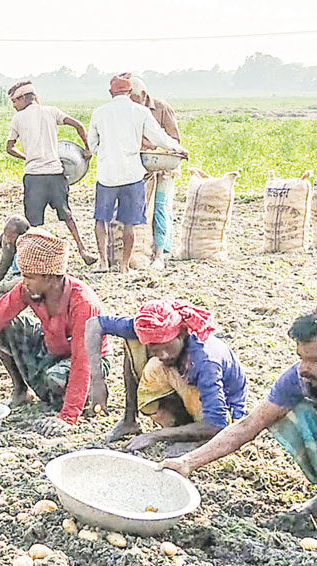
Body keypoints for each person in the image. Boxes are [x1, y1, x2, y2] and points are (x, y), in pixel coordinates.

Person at [159, 312, 317, 517]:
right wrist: (188, 462)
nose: (304, 368)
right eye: (301, 358)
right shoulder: (297, 379)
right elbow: (248, 425)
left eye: (314, 360)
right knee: (297, 411)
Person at [0, 228, 107, 436]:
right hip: (52, 346)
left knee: (56, 378)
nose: (24, 282)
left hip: (87, 359)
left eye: (30, 277)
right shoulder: (28, 290)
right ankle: (20, 390)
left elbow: (83, 361)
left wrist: (68, 416)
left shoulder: (83, 304)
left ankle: (77, 401)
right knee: (3, 327)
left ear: (51, 278)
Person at [84, 300, 249, 455]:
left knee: (160, 365)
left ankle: (198, 439)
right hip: (184, 384)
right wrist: (98, 381)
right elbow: (94, 324)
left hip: (224, 412)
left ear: (181, 334)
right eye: (155, 349)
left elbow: (217, 424)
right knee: (134, 342)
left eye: (167, 347)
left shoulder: (205, 360)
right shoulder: (151, 328)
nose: (162, 355)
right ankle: (130, 420)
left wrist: (155, 436)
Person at [88, 73, 188, 274]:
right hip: (132, 176)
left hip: (107, 175)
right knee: (129, 223)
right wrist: (178, 149)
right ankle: (125, 266)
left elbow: (92, 144)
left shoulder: (99, 112)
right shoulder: (140, 112)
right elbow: (159, 137)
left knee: (102, 219)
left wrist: (106, 154)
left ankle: (102, 262)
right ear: (129, 92)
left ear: (111, 93)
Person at [6, 81, 97, 265]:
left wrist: (27, 157)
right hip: (55, 174)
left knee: (34, 223)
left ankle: (33, 258)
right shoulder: (51, 112)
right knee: (67, 214)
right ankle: (83, 250)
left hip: (34, 177)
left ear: (23, 98)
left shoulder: (18, 118)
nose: (14, 106)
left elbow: (9, 147)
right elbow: (78, 125)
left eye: (15, 101)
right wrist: (87, 149)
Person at [130, 77, 181, 270]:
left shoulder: (161, 108)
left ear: (143, 96)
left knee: (161, 208)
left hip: (165, 167)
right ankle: (144, 251)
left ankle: (161, 253)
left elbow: (174, 138)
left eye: (134, 99)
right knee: (143, 211)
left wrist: (154, 147)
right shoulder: (131, 112)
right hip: (142, 168)